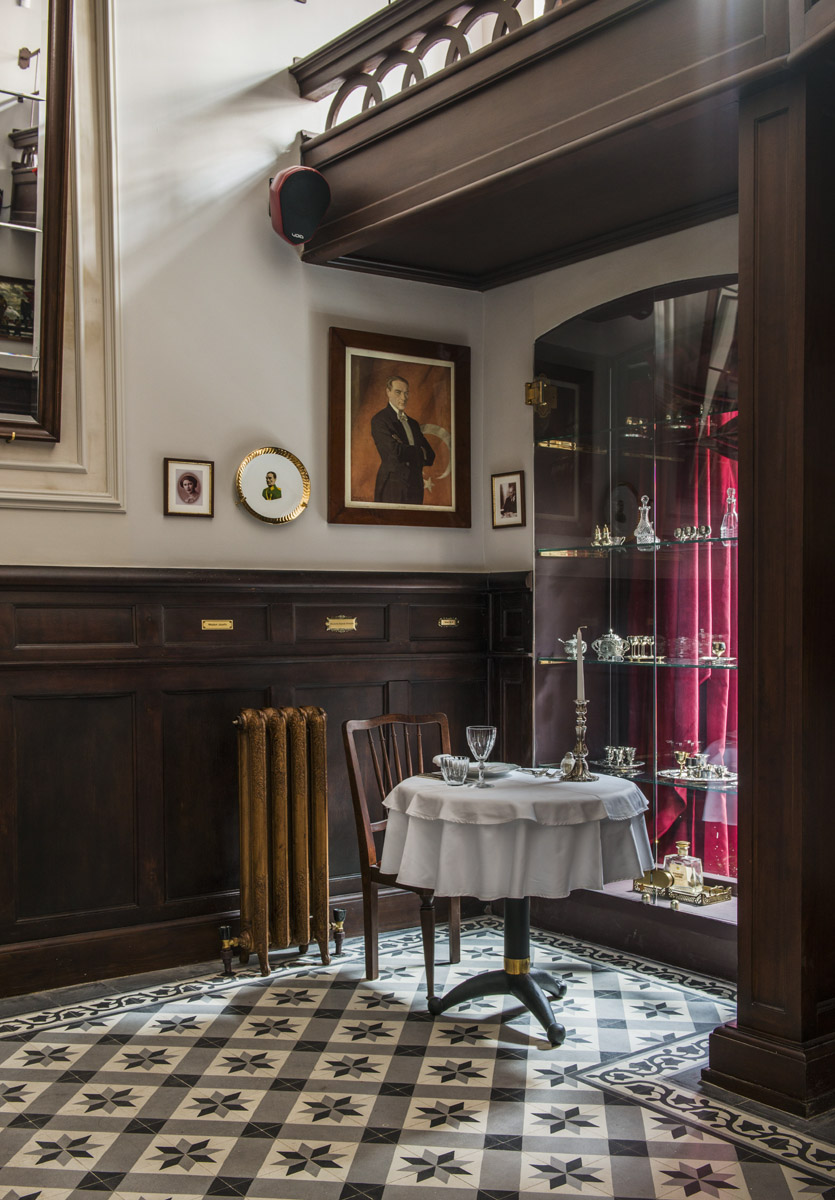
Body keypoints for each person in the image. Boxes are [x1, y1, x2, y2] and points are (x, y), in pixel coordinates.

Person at [370, 375, 435, 504]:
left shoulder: (413, 424)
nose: (403, 398)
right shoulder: (380, 420)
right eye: (398, 392)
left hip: (415, 486)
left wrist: (406, 450)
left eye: (406, 393)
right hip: (392, 485)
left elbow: (430, 455)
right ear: (388, 392)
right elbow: (394, 453)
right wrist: (419, 452)